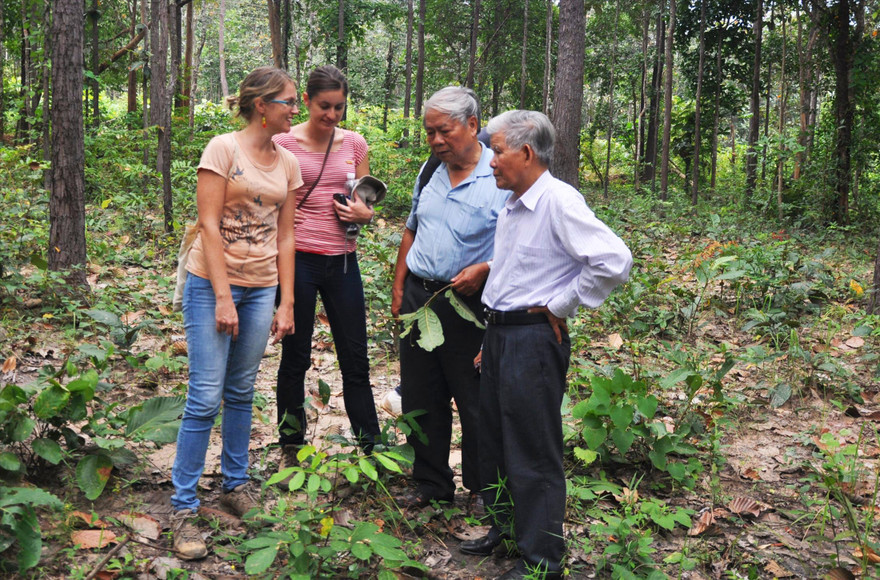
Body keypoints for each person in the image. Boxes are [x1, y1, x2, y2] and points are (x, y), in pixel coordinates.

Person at [459, 110, 632, 579]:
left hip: (533, 341)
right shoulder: (514, 204)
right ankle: (506, 530)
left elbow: (613, 260)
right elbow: (516, 269)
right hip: (501, 336)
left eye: (496, 152)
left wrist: (561, 305)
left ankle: (542, 561)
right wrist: (491, 333)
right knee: (493, 438)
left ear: (527, 153)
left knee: (532, 448)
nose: (489, 161)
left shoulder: (558, 201)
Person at [170, 67, 302, 560]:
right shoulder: (223, 149)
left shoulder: (288, 163)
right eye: (289, 101)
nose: (296, 109)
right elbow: (207, 221)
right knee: (205, 395)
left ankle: (236, 483)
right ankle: (183, 507)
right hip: (212, 285)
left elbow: (285, 234)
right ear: (261, 105)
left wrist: (286, 301)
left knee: (242, 390)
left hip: (262, 285)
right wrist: (223, 296)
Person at [391, 87, 510, 509]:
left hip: (470, 306)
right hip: (420, 300)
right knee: (421, 394)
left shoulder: (499, 174)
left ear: (473, 126)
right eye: (429, 133)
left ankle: (482, 488)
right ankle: (431, 483)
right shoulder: (431, 170)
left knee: (475, 398)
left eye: (445, 131)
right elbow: (411, 228)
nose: (437, 140)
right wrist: (399, 285)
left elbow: (522, 243)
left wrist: (487, 269)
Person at [273, 65, 381, 466]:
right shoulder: (283, 141)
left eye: (339, 107)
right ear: (306, 100)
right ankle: (291, 444)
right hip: (298, 260)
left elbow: (365, 195)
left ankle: (371, 448)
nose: (332, 115)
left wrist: (364, 213)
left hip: (343, 263)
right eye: (324, 106)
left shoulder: (353, 143)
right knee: (296, 355)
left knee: (356, 358)